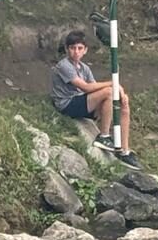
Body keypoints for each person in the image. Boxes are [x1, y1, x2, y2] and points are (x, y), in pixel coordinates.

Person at [50, 30, 139, 168]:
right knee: (109, 92)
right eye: (73, 48)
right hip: (67, 104)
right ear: (67, 49)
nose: (76, 52)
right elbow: (86, 87)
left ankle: (124, 150)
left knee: (123, 105)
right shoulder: (64, 66)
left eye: (80, 48)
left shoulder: (84, 68)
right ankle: (103, 136)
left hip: (82, 103)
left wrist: (120, 93)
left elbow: (95, 87)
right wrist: (113, 83)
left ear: (85, 50)